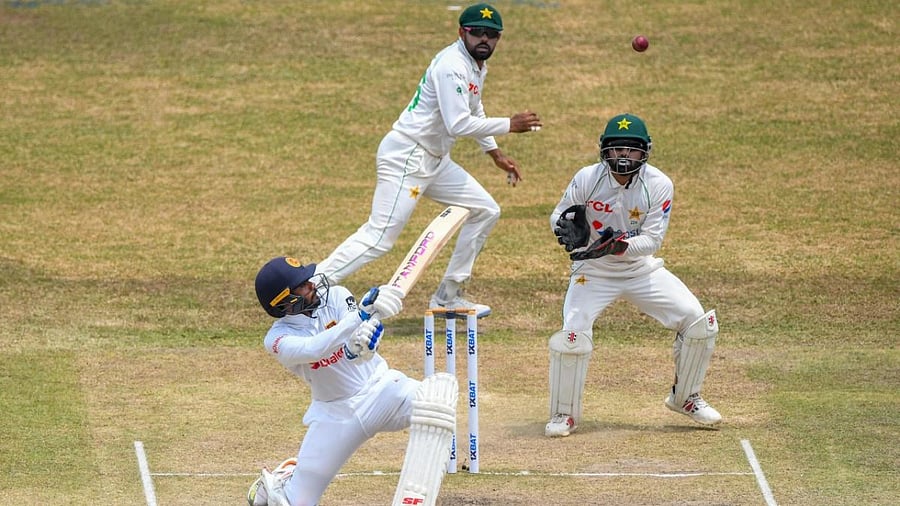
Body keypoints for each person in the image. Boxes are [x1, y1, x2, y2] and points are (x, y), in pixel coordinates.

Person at [315, 3, 542, 318]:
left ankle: (448, 296)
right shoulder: (452, 65)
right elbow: (458, 124)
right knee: (380, 238)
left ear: (499, 37)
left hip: (434, 160)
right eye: (477, 32)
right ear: (462, 32)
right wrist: (510, 125)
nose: (484, 40)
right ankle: (313, 287)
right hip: (407, 156)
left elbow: (474, 109)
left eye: (491, 35)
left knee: (485, 209)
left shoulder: (476, 64)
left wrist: (495, 154)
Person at [545, 113, 722, 438]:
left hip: (640, 269)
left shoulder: (659, 185)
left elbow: (652, 240)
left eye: (631, 151)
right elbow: (559, 212)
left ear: (645, 152)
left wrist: (616, 247)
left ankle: (685, 398)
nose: (623, 157)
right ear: (604, 151)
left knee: (697, 321)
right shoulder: (587, 178)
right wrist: (564, 228)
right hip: (593, 271)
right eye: (616, 150)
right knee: (573, 332)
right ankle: (564, 413)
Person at [247, 257, 457, 505]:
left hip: (383, 389)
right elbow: (314, 349)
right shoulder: (277, 339)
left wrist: (364, 344)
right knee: (295, 503)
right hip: (336, 415)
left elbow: (354, 341)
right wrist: (360, 316)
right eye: (302, 285)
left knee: (436, 400)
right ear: (284, 301)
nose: (312, 285)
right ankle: (287, 478)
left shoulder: (336, 295)